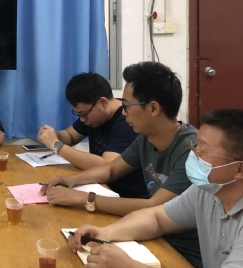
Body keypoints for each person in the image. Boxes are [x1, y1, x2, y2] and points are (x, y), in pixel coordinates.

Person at [40, 62, 201, 267]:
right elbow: (111, 169)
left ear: (153, 108)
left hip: (183, 251)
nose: (123, 113)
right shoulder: (145, 138)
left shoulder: (193, 150)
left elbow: (154, 207)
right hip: (151, 233)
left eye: (127, 105)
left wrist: (83, 198)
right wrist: (69, 180)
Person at [68, 109, 243, 268]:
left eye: (203, 152)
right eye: (195, 146)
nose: (193, 155)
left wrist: (129, 265)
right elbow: (157, 218)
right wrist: (105, 233)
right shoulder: (205, 192)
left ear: (239, 169)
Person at [37, 72, 148, 199]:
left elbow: (107, 166)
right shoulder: (93, 115)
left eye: (83, 114)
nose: (82, 119)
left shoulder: (127, 121)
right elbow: (70, 135)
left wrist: (57, 146)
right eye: (79, 114)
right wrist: (52, 135)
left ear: (103, 103)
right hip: (100, 187)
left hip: (126, 196)